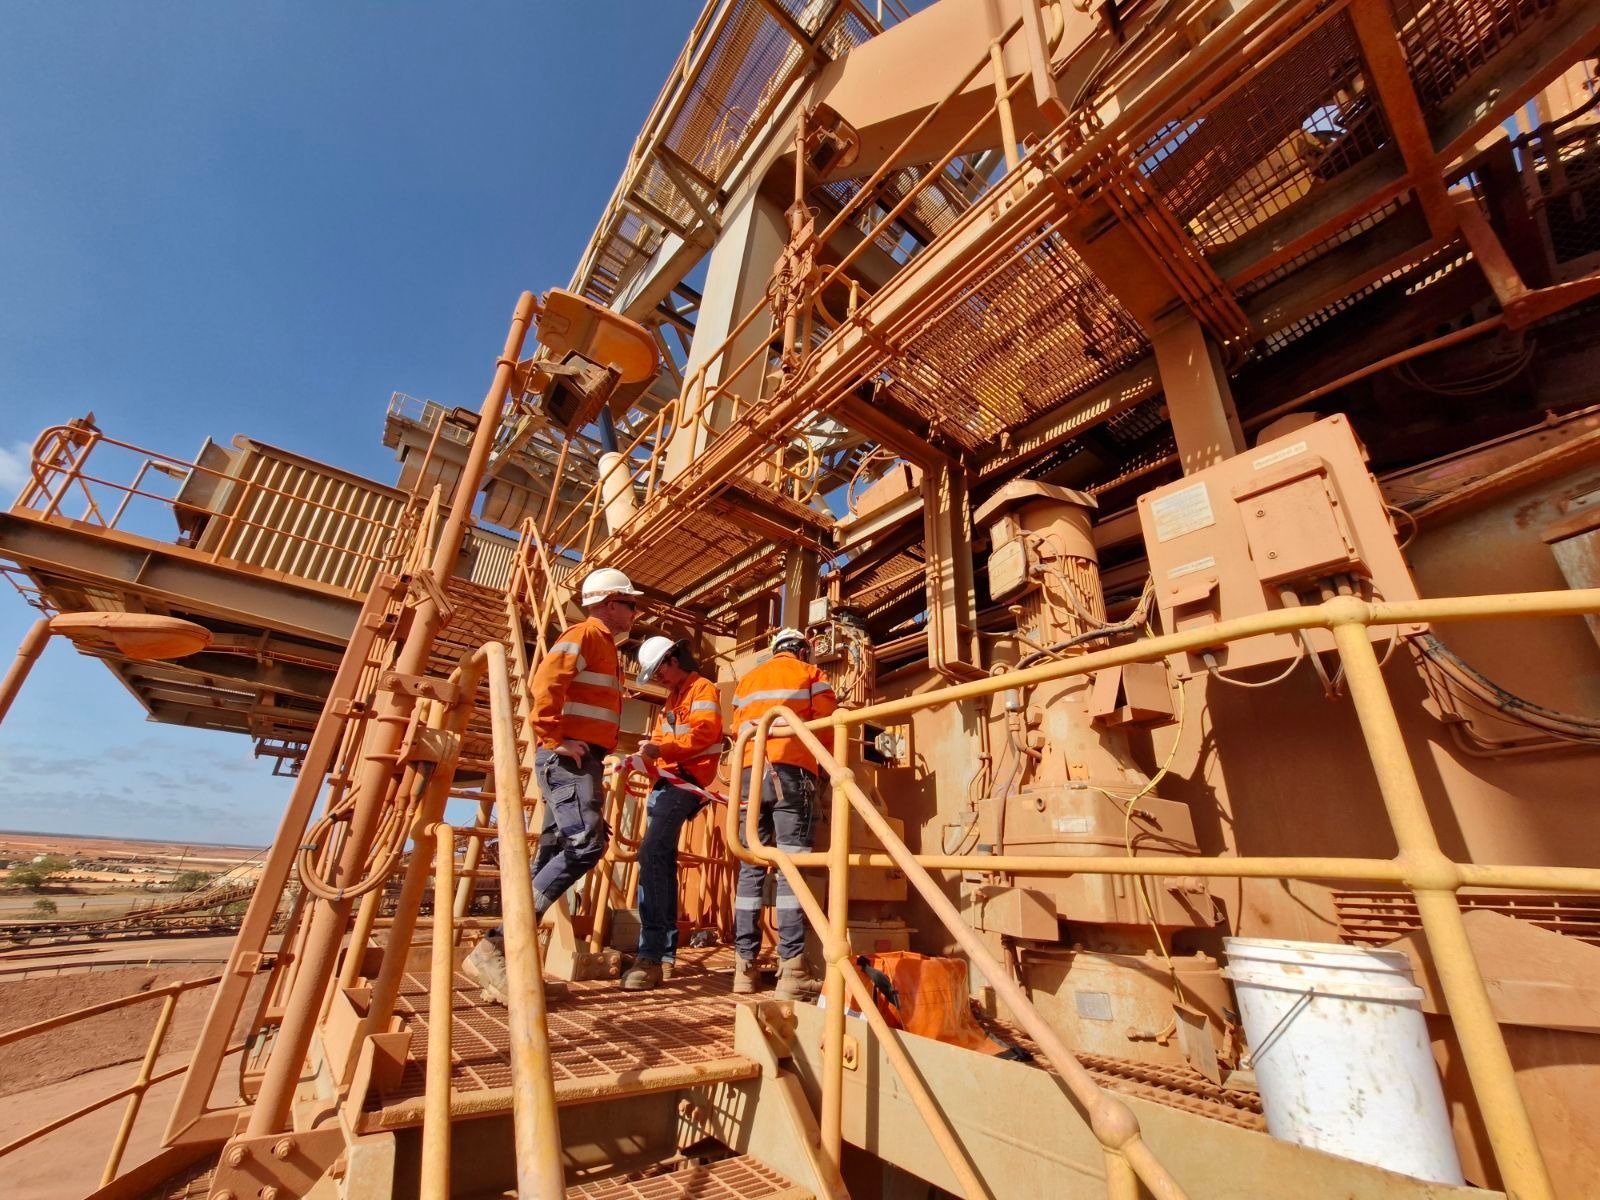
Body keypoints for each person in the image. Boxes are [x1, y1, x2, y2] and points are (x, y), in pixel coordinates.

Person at [464, 566, 640, 1004]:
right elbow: (546, 681)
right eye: (630, 603)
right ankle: (495, 948)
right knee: (585, 845)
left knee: (552, 853)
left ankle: (511, 963)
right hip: (569, 760)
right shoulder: (586, 634)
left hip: (583, 760)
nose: (635, 612)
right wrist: (552, 738)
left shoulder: (605, 648)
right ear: (608, 603)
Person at [730, 627, 836, 999]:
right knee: (792, 865)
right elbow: (826, 724)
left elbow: (736, 727)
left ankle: (743, 967)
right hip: (791, 771)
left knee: (750, 865)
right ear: (803, 651)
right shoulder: (811, 674)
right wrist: (827, 768)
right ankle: (792, 970)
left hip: (746, 774)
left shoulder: (747, 680)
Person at [619, 636, 724, 991]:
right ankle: (660, 956)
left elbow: (704, 733)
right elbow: (665, 741)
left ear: (673, 659)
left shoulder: (703, 689)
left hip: (686, 782)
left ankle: (652, 953)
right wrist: (648, 757)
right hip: (668, 783)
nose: (658, 678)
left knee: (652, 854)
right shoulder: (673, 698)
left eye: (658, 671)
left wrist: (659, 749)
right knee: (656, 858)